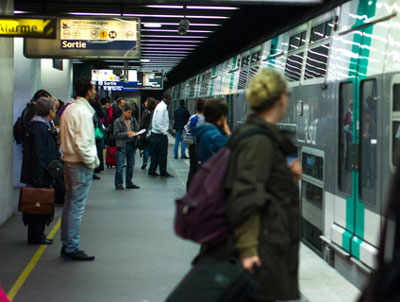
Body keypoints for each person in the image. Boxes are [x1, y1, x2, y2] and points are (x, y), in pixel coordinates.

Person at [195, 68, 302, 302]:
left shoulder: (253, 135)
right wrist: (248, 252)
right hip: (260, 253)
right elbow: (246, 194)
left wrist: (285, 175)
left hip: (264, 248)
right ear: (281, 99)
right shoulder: (259, 140)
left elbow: (258, 182)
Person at [60, 78, 99, 261]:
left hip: (68, 162)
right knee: (77, 207)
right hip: (80, 164)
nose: (95, 92)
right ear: (88, 91)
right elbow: (83, 144)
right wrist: (92, 162)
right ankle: (72, 247)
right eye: (93, 88)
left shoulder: (69, 109)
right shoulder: (83, 113)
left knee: (69, 204)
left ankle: (66, 244)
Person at [20, 97, 58, 245]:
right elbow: (39, 153)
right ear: (50, 111)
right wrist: (41, 175)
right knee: (39, 204)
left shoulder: (35, 125)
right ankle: (37, 235)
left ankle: (36, 234)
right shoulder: (40, 128)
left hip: (36, 172)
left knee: (36, 204)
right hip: (40, 174)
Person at [191, 98, 231, 164]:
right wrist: (228, 133)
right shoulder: (215, 136)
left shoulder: (205, 132)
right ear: (222, 117)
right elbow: (234, 153)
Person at [113, 103, 140, 190]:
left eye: (130, 113)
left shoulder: (133, 120)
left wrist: (136, 134)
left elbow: (136, 129)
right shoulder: (117, 121)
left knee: (130, 165)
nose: (130, 114)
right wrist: (127, 134)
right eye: (128, 112)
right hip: (122, 145)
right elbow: (116, 134)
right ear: (123, 112)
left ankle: (129, 182)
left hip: (131, 145)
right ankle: (119, 183)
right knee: (120, 166)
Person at [148, 94, 173, 177]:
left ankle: (152, 170)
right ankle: (163, 171)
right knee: (162, 154)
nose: (170, 101)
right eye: (169, 99)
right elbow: (158, 123)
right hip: (159, 135)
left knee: (155, 154)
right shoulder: (161, 108)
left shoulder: (161, 106)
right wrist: (164, 132)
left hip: (156, 134)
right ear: (165, 99)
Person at [185, 98, 205, 189]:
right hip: (203, 147)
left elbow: (187, 131)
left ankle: (190, 189)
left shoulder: (193, 118)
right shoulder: (207, 118)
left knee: (193, 169)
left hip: (193, 147)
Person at [139, 97, 157, 170]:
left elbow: (142, 123)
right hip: (154, 132)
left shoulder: (145, 112)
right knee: (153, 148)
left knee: (146, 148)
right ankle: (153, 163)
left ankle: (145, 162)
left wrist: (140, 132)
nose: (145, 103)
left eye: (146, 102)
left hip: (146, 132)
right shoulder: (155, 111)